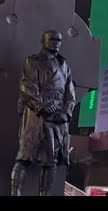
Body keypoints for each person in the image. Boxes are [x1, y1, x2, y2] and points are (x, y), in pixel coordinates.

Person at [10, 30, 76, 196]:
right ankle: (15, 192)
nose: (56, 42)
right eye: (52, 39)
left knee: (50, 161)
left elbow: (70, 94)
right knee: (24, 157)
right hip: (36, 116)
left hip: (57, 120)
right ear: (43, 41)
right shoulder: (33, 62)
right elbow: (27, 86)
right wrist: (42, 106)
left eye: (59, 40)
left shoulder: (64, 66)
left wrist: (65, 113)